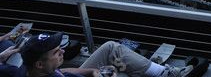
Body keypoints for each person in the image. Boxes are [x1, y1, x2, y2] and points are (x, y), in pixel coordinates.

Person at [3, 32, 192, 77]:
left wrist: (91, 71)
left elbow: (60, 72)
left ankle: (160, 72)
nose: (62, 51)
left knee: (111, 49)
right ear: (39, 64)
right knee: (118, 65)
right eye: (55, 51)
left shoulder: (14, 71)